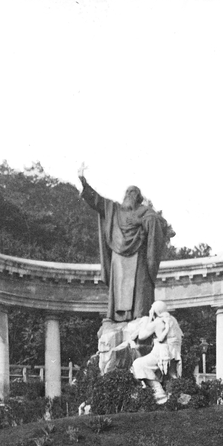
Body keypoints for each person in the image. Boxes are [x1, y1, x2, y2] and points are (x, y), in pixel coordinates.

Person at [79, 173, 170, 324]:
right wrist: (85, 184)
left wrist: (142, 221)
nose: (129, 195)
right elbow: (97, 201)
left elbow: (156, 222)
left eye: (133, 193)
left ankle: (139, 316)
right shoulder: (114, 209)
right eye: (127, 192)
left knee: (140, 285)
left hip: (138, 254)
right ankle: (116, 317)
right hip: (118, 255)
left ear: (138, 197)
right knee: (118, 287)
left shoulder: (145, 212)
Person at [130, 301, 184, 404]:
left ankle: (158, 390)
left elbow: (142, 336)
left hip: (160, 353)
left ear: (155, 310)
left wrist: (149, 317)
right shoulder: (173, 320)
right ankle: (175, 392)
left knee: (138, 364)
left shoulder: (158, 322)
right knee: (172, 375)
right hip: (174, 353)